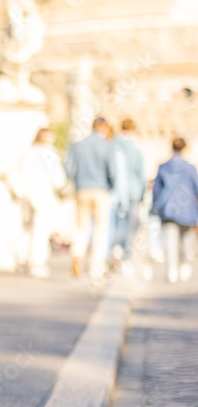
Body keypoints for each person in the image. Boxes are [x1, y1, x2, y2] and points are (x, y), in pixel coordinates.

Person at [10, 128, 67, 277]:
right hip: (43, 194)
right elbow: (58, 179)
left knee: (25, 228)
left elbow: (17, 173)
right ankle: (36, 262)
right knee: (41, 228)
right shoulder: (49, 152)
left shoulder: (27, 153)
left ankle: (20, 259)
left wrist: (19, 191)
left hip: (25, 195)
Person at [65, 117, 115, 283]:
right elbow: (112, 171)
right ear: (104, 128)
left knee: (81, 227)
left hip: (82, 189)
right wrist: (110, 185)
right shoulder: (107, 146)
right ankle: (95, 270)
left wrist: (75, 181)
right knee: (101, 230)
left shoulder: (78, 145)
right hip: (100, 190)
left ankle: (77, 255)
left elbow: (68, 168)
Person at [151, 137, 198, 283]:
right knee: (185, 238)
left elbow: (156, 189)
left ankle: (172, 270)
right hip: (187, 207)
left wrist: (155, 208)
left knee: (170, 240)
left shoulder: (163, 166)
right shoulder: (189, 167)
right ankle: (184, 265)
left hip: (169, 208)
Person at [108, 119, 146, 273]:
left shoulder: (112, 146)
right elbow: (141, 175)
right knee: (130, 226)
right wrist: (142, 195)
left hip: (114, 191)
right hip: (132, 192)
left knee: (116, 223)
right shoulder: (136, 150)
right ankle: (126, 258)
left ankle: (115, 248)